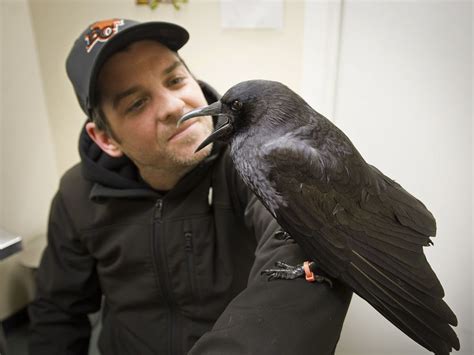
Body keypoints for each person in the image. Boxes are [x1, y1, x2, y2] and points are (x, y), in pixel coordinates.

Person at [28, 18, 352, 355]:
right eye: (137, 103)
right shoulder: (75, 194)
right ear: (106, 138)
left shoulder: (257, 162)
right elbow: (57, 314)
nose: (174, 106)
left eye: (176, 79)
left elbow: (306, 264)